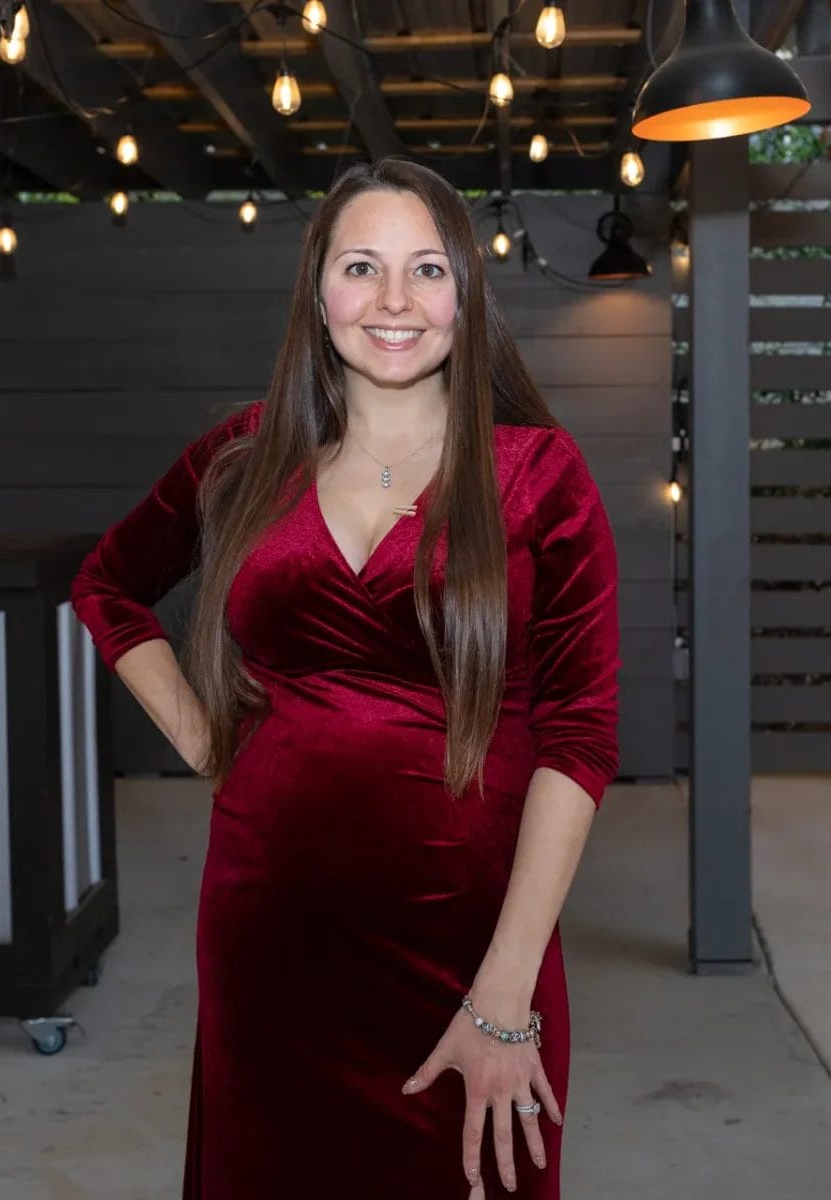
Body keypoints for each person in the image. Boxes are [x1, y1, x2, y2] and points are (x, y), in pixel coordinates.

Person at [68, 157, 621, 1199]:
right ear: (318, 297)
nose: (395, 301)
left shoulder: (541, 476)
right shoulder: (241, 458)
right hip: (268, 932)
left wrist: (504, 996)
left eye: (427, 269)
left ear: (466, 292)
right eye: (362, 267)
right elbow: (108, 586)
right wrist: (207, 743)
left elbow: (581, 740)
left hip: (470, 942)